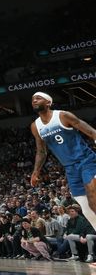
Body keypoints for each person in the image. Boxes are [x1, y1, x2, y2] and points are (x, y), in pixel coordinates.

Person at [30, 92, 96, 231]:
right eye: (33, 99)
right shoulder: (35, 126)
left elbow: (91, 132)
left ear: (48, 103)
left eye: (38, 98)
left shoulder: (63, 116)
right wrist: (36, 172)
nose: (34, 100)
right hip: (70, 168)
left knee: (92, 194)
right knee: (84, 207)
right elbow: (41, 151)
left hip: (86, 160)